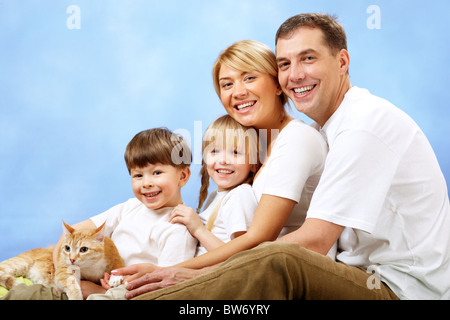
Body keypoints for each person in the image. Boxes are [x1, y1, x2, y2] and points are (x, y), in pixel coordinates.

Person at [124, 13, 450, 300]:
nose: (294, 75)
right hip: (356, 273)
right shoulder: (322, 130)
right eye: (285, 64)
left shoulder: (362, 125)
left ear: (342, 62)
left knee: (279, 260)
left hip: (398, 290)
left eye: (308, 58)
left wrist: (190, 275)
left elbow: (313, 243)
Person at [110, 40, 331, 298]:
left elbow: (257, 239)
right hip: (249, 270)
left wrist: (172, 271)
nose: (237, 92)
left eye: (249, 77)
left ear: (277, 84)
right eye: (227, 84)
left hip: (275, 279)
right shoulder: (252, 150)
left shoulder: (296, 139)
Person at [2, 128, 197, 299]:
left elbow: (167, 289)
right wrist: (67, 276)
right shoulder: (129, 208)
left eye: (156, 173)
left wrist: (95, 291)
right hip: (75, 284)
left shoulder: (178, 226)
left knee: (24, 295)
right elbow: (69, 234)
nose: (146, 183)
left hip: (111, 295)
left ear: (183, 176)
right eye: (138, 175)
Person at [169, 114, 260, 256]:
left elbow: (241, 258)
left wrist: (199, 230)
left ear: (253, 164)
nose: (223, 160)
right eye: (215, 151)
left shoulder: (240, 195)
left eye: (235, 152)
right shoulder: (215, 196)